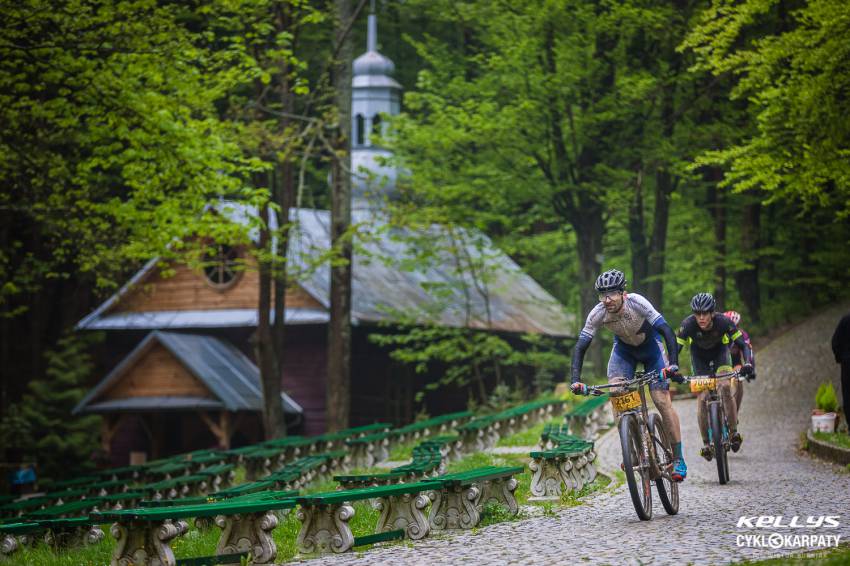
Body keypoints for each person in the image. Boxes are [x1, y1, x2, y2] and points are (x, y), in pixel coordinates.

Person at [570, 269, 687, 481]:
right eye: (602, 294)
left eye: (612, 293)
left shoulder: (637, 302)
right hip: (624, 353)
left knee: (661, 400)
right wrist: (575, 380)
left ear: (623, 293)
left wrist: (674, 365)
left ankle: (678, 457)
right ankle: (631, 450)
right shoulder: (598, 313)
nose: (606, 300)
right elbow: (580, 347)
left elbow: (667, 331)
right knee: (616, 392)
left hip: (651, 351)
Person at [678, 293, 754, 460]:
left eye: (705, 313)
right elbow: (676, 348)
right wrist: (672, 368)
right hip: (699, 360)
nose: (701, 317)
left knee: (725, 386)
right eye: (697, 313)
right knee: (702, 397)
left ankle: (734, 432)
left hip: (721, 355)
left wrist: (747, 363)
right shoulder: (688, 325)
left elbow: (743, 344)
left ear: (712, 313)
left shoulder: (724, 322)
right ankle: (706, 444)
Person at [724, 310, 755, 411]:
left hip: (735, 362)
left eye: (735, 327)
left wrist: (750, 366)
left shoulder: (742, 334)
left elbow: (748, 350)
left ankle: (735, 410)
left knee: (738, 381)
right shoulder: (718, 333)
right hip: (721, 362)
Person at [831, 312, 850, 435]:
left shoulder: (845, 321)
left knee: (848, 394)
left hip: (847, 364)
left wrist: (840, 358)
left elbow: (835, 342)